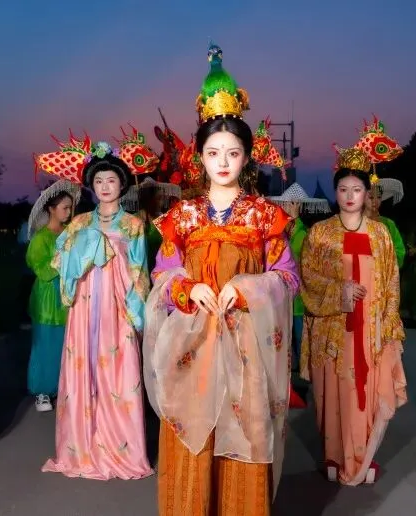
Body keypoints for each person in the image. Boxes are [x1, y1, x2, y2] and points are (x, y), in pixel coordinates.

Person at [143, 42, 299, 515]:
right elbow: (161, 278)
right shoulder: (182, 216)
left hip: (245, 348)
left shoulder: (265, 217)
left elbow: (287, 278)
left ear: (247, 157)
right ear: (200, 157)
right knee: (192, 440)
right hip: (193, 347)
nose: (224, 161)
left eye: (233, 152)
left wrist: (247, 288)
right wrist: (188, 288)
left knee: (243, 436)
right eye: (214, 152)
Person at [35, 132, 157, 480]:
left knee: (119, 372)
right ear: (91, 186)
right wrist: (87, 249)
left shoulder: (134, 225)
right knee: (84, 370)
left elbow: (140, 272)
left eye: (111, 180)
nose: (105, 186)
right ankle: (82, 449)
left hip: (117, 309)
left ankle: (122, 449)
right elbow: (61, 262)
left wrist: (136, 314)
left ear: (122, 185)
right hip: (85, 309)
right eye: (99, 181)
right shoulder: (79, 223)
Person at [299, 121, 407, 486]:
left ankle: (362, 456)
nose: (349, 196)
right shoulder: (320, 234)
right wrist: (339, 291)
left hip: (369, 330)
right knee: (333, 395)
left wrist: (388, 324)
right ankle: (333, 454)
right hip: (333, 329)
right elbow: (309, 279)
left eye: (356, 189)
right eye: (343, 189)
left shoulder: (380, 234)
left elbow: (391, 282)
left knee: (367, 393)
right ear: (336, 192)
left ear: (366, 193)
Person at [25, 180, 79, 412]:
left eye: (70, 207)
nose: (68, 212)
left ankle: (64, 388)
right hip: (48, 299)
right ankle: (42, 392)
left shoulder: (71, 233)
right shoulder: (40, 238)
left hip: (71, 295)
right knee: (45, 346)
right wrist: (63, 257)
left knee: (67, 346)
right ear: (51, 209)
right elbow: (43, 271)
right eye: (64, 207)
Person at [365, 178, 406, 268]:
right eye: (371, 197)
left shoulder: (388, 224)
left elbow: (400, 253)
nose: (375, 201)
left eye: (379, 197)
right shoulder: (354, 223)